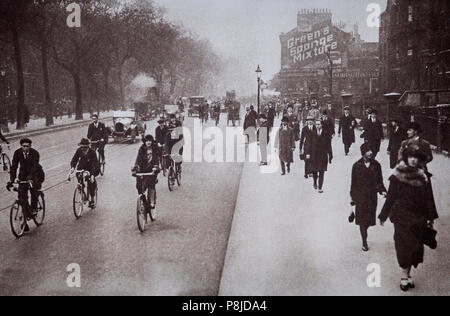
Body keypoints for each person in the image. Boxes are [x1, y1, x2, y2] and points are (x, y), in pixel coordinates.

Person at [379, 146, 439, 291]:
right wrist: (383, 215)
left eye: (416, 157)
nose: (413, 160)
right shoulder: (397, 176)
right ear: (406, 158)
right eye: (411, 157)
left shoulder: (423, 176)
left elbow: (428, 198)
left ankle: (408, 273)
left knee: (415, 248)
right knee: (403, 247)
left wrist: (430, 217)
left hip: (418, 218)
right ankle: (404, 275)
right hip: (401, 217)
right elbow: (391, 197)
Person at [350, 142, 387, 252]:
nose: (370, 153)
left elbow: (379, 181)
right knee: (362, 220)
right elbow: (353, 183)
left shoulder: (376, 165)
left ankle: (364, 232)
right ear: (363, 152)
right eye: (368, 151)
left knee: (369, 220)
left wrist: (383, 191)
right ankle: (364, 241)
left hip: (372, 197)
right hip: (360, 197)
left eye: (371, 151)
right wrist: (352, 197)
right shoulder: (357, 166)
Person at [7, 138, 45, 227]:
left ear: (30, 146)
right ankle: (25, 222)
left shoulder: (35, 153)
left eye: (27, 146)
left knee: (33, 190)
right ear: (21, 146)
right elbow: (14, 166)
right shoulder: (17, 153)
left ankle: (34, 208)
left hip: (36, 174)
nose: (25, 148)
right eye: (23, 146)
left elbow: (35, 166)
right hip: (23, 175)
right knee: (22, 196)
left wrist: (30, 177)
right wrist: (11, 180)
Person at [132, 135, 160, 211]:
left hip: (152, 171)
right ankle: (143, 201)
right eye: (147, 141)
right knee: (139, 186)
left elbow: (157, 159)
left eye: (150, 141)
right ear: (145, 142)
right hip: (142, 171)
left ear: (152, 142)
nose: (148, 142)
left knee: (151, 185)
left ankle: (152, 201)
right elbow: (138, 159)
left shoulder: (155, 149)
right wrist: (136, 167)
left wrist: (156, 167)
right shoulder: (141, 149)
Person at [70, 138, 100, 208]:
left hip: (91, 168)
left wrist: (92, 174)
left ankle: (92, 199)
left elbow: (95, 164)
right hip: (82, 167)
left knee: (91, 181)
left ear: (88, 146)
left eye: (85, 147)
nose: (83, 149)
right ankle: (82, 189)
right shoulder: (79, 151)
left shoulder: (92, 152)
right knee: (79, 176)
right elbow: (74, 159)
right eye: (82, 147)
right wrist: (72, 167)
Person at [306, 120, 333, 193]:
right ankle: (315, 181)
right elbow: (308, 143)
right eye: (316, 124)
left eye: (319, 124)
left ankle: (320, 187)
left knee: (322, 171)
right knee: (315, 171)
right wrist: (308, 153)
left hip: (323, 155)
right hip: (314, 155)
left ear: (321, 125)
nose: (317, 126)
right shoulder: (312, 133)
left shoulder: (326, 134)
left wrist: (330, 155)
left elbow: (329, 145)